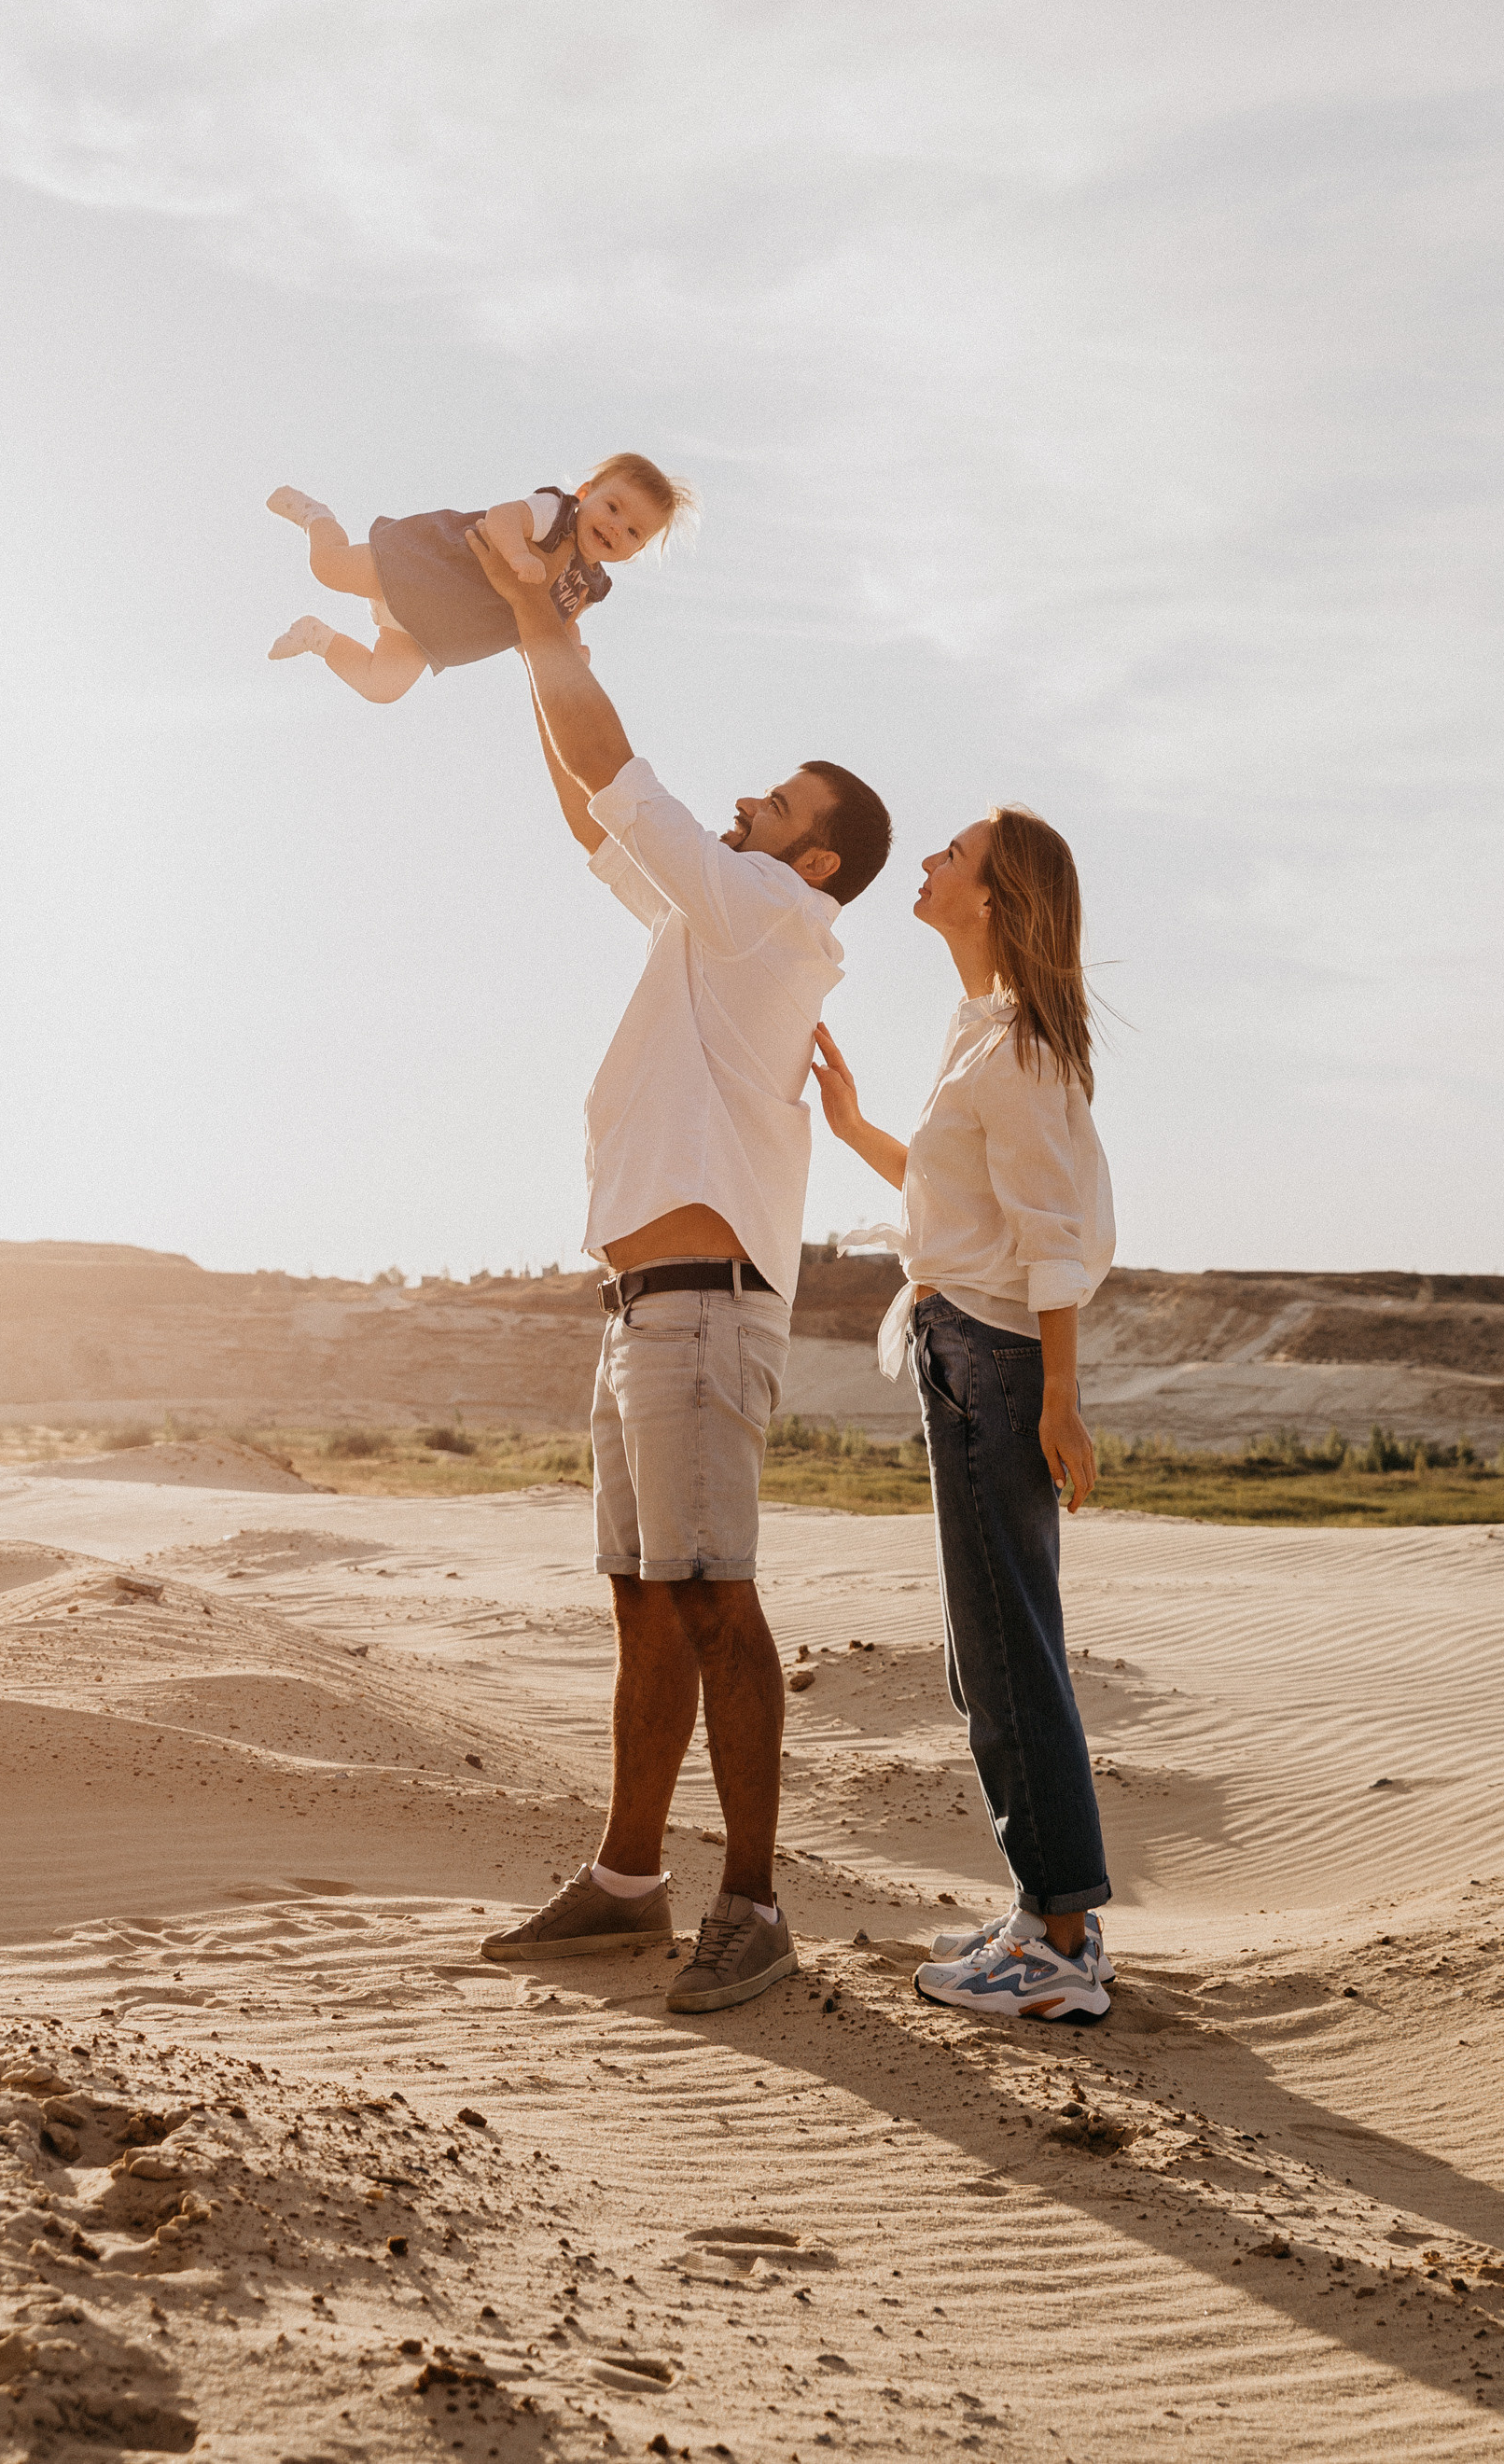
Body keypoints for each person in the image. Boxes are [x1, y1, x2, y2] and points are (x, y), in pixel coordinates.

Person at [460, 518, 893, 2012]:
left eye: (773, 804)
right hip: (642, 1312)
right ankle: (628, 1882)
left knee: (713, 1599)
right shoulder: (716, 922)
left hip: (704, 1314)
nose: (744, 805)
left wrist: (545, 621)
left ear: (811, 856)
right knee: (646, 1602)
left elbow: (623, 776)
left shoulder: (775, 915)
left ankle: (757, 1905)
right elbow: (598, 814)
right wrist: (533, 643)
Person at [811, 807, 1117, 2024]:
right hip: (965, 1353)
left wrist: (1061, 1398)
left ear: (992, 898)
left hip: (993, 1366)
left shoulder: (1021, 1052)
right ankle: (1044, 1911)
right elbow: (958, 1205)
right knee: (980, 1652)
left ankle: (1060, 1945)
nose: (928, 865)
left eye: (952, 854)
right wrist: (854, 1133)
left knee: (1007, 1652)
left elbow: (1049, 1243)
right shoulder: (981, 1035)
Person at [263, 453, 693, 704]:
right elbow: (503, 517)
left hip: (434, 629)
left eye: (635, 532)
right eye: (613, 508)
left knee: (384, 686)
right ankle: (316, 517)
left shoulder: (591, 585)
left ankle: (314, 636)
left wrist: (567, 651)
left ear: (638, 551)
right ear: (585, 494)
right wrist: (520, 552)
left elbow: (550, 622)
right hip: (426, 572)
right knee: (329, 568)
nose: (617, 528)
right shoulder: (555, 515)